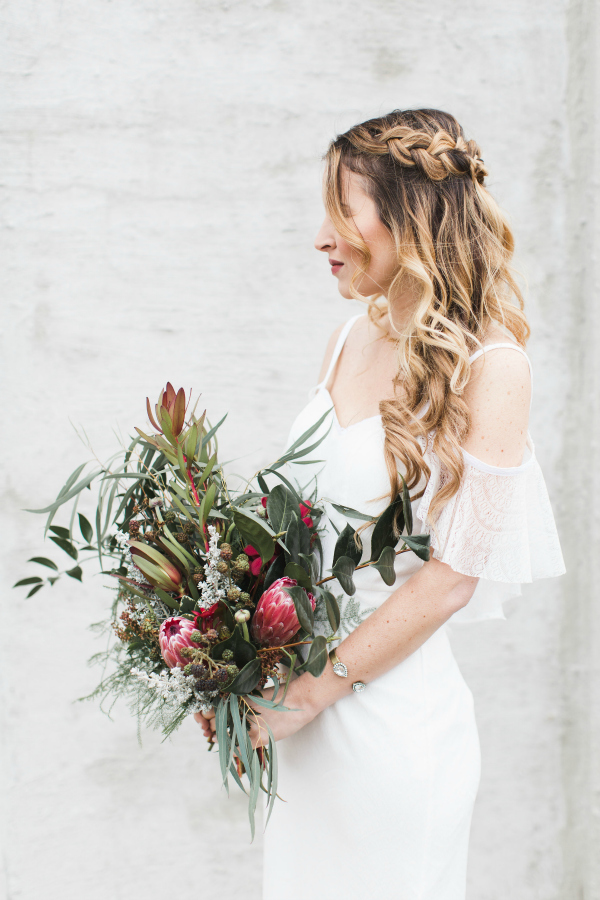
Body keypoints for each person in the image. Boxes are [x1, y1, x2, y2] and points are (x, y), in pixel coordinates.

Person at [195, 108, 565, 899]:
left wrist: (309, 694)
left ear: (410, 219)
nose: (323, 237)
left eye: (343, 211)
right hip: (302, 728)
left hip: (392, 730)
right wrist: (236, 670)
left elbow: (452, 577)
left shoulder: (493, 367)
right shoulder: (344, 341)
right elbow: (293, 534)